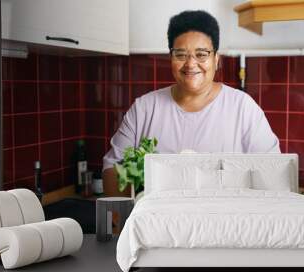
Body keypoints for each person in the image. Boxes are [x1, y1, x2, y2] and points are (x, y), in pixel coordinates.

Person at [102, 10, 280, 196]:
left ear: (216, 59)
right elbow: (113, 168)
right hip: (159, 221)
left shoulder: (242, 108)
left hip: (226, 220)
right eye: (181, 55)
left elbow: (273, 172)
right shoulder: (144, 109)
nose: (191, 64)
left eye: (201, 54)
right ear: (171, 58)